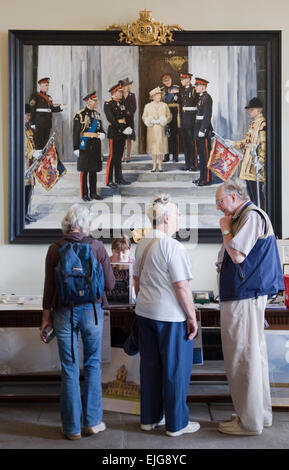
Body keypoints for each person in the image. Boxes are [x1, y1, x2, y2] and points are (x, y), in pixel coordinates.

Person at [40, 204, 115, 440]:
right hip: (92, 312)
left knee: (69, 368)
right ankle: (92, 422)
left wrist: (45, 320)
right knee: (92, 364)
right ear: (86, 224)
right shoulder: (97, 247)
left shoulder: (55, 249)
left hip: (63, 312)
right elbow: (111, 285)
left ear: (66, 224)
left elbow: (49, 289)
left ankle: (71, 428)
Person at [215, 180, 284, 436]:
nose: (219, 208)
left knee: (243, 358)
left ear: (234, 197)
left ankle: (249, 422)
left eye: (220, 202)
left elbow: (237, 255)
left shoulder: (251, 215)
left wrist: (224, 229)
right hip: (245, 295)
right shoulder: (246, 216)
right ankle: (257, 415)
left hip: (244, 296)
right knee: (253, 358)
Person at [133, 193, 200, 437]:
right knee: (175, 371)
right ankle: (176, 424)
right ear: (167, 217)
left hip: (145, 313)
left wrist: (144, 302)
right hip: (170, 317)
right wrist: (192, 317)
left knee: (150, 368)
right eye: (178, 213)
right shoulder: (172, 246)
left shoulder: (142, 243)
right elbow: (182, 287)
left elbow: (136, 281)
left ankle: (149, 419)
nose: (181, 216)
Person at [225, 97, 266, 209]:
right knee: (252, 194)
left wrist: (261, 161)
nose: (249, 112)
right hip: (249, 164)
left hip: (255, 164)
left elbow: (264, 144)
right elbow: (247, 142)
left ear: (259, 110)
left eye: (251, 110)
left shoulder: (262, 124)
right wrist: (233, 144)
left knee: (258, 196)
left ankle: (261, 215)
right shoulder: (253, 124)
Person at [73, 91, 105, 201]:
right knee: (84, 170)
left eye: (96, 100)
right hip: (84, 144)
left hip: (95, 144)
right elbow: (76, 132)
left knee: (93, 170)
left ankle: (93, 193)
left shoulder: (97, 114)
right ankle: (84, 194)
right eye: (94, 100)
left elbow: (100, 129)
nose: (96, 102)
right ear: (88, 101)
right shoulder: (80, 115)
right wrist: (75, 147)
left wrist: (102, 133)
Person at [104, 82, 132, 188]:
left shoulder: (121, 103)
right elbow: (111, 119)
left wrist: (127, 128)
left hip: (122, 132)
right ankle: (109, 180)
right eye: (119, 92)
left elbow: (125, 117)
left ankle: (119, 178)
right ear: (114, 93)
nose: (121, 93)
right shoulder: (108, 104)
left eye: (121, 92)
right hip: (114, 132)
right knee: (112, 157)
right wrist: (122, 129)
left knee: (119, 156)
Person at [142, 87, 172, 172]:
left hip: (161, 129)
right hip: (151, 129)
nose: (159, 96)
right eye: (157, 95)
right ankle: (154, 166)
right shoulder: (147, 106)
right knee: (153, 148)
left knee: (160, 148)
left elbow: (169, 116)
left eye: (160, 95)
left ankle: (160, 166)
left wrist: (164, 120)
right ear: (152, 96)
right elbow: (144, 117)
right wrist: (149, 120)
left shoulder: (164, 105)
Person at [29, 77, 62, 149]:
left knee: (45, 143)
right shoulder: (35, 96)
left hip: (47, 123)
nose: (47, 87)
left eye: (48, 85)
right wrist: (32, 123)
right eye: (45, 85)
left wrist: (60, 108)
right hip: (39, 123)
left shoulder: (49, 97)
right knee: (38, 143)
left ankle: (44, 160)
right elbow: (32, 109)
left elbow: (51, 109)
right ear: (40, 85)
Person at [193, 77, 214, 186]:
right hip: (198, 129)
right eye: (195, 85)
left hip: (203, 131)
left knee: (205, 156)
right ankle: (201, 177)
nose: (195, 87)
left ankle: (206, 179)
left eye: (197, 85)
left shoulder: (207, 98)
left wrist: (203, 129)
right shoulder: (201, 97)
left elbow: (207, 115)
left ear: (203, 87)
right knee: (201, 156)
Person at [24, 103, 42, 224]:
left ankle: (26, 213)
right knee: (23, 191)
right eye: (26, 115)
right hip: (23, 164)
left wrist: (36, 152)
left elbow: (31, 144)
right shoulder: (17, 128)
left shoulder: (28, 128)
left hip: (29, 164)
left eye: (29, 115)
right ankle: (21, 215)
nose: (28, 117)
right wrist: (32, 153)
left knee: (29, 190)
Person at [179, 72, 198, 171]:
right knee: (185, 143)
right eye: (181, 79)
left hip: (192, 119)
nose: (181, 81)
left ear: (188, 79)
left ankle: (193, 164)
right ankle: (187, 164)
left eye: (183, 79)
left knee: (192, 143)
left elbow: (198, 106)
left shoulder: (194, 90)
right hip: (184, 119)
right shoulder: (183, 91)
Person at [161, 73, 180, 162]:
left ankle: (175, 157)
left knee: (175, 136)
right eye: (165, 81)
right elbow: (165, 101)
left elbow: (179, 100)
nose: (167, 82)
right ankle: (166, 156)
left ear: (171, 79)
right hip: (166, 113)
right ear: (163, 82)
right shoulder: (162, 90)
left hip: (175, 114)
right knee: (166, 136)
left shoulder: (176, 87)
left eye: (168, 80)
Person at [119, 78, 137, 163]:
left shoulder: (132, 95)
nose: (125, 87)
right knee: (122, 138)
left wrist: (130, 112)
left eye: (127, 86)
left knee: (129, 138)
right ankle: (122, 156)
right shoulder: (119, 95)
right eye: (124, 86)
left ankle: (128, 156)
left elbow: (134, 107)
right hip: (122, 119)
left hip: (129, 119)